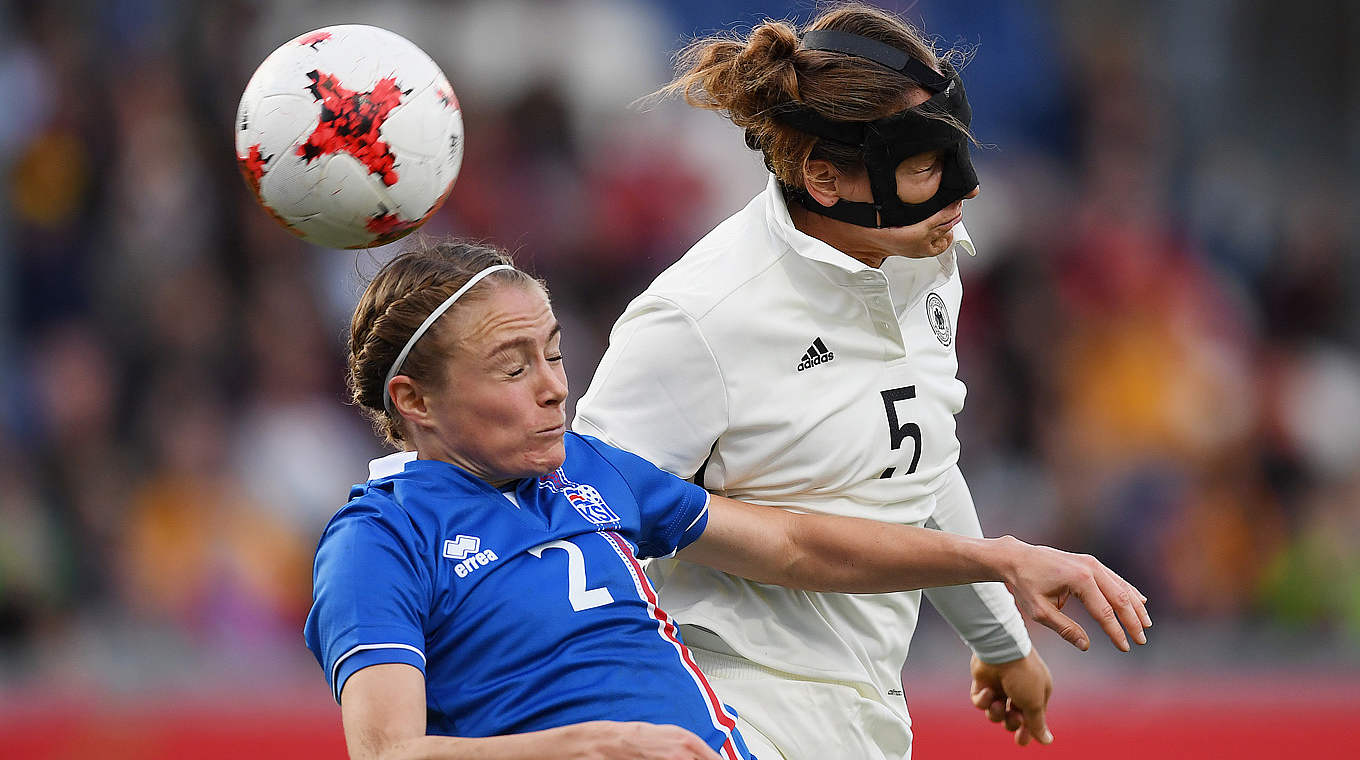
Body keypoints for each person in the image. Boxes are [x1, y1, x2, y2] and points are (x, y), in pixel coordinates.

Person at [306, 239, 1148, 760]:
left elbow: (797, 548)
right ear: (414, 401)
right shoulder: (376, 538)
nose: (555, 388)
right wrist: (587, 748)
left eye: (555, 353)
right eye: (513, 366)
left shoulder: (594, 471)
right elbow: (389, 754)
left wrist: (998, 559)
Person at [573, 4, 1137, 758]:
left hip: (868, 704)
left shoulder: (924, 261)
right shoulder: (696, 317)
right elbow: (582, 530)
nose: (963, 192)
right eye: (925, 166)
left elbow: (919, 464)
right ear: (824, 176)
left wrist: (1001, 644)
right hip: (716, 702)